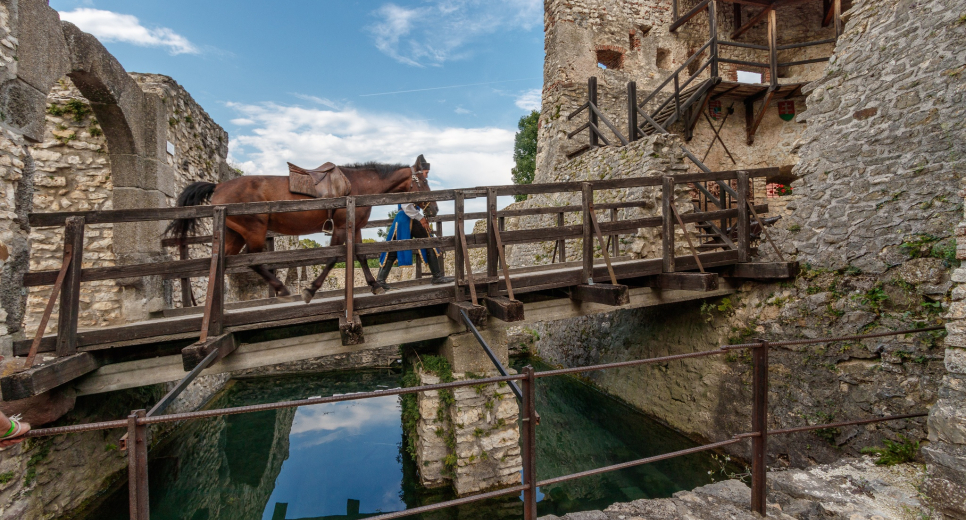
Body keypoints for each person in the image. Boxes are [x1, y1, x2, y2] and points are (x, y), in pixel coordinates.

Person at [376, 201, 454, 290]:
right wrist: (421, 218)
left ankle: (380, 281)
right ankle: (437, 277)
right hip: (408, 217)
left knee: (393, 249)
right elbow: (406, 206)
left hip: (403, 218)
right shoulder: (407, 189)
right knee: (429, 242)